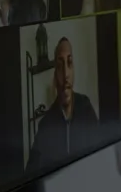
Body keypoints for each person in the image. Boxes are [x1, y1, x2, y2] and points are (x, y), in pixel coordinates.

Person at [28, 37, 98, 169]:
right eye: (60, 67)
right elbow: (30, 172)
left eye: (69, 63)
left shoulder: (86, 107)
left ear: (74, 70)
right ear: (55, 76)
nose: (66, 74)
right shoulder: (46, 125)